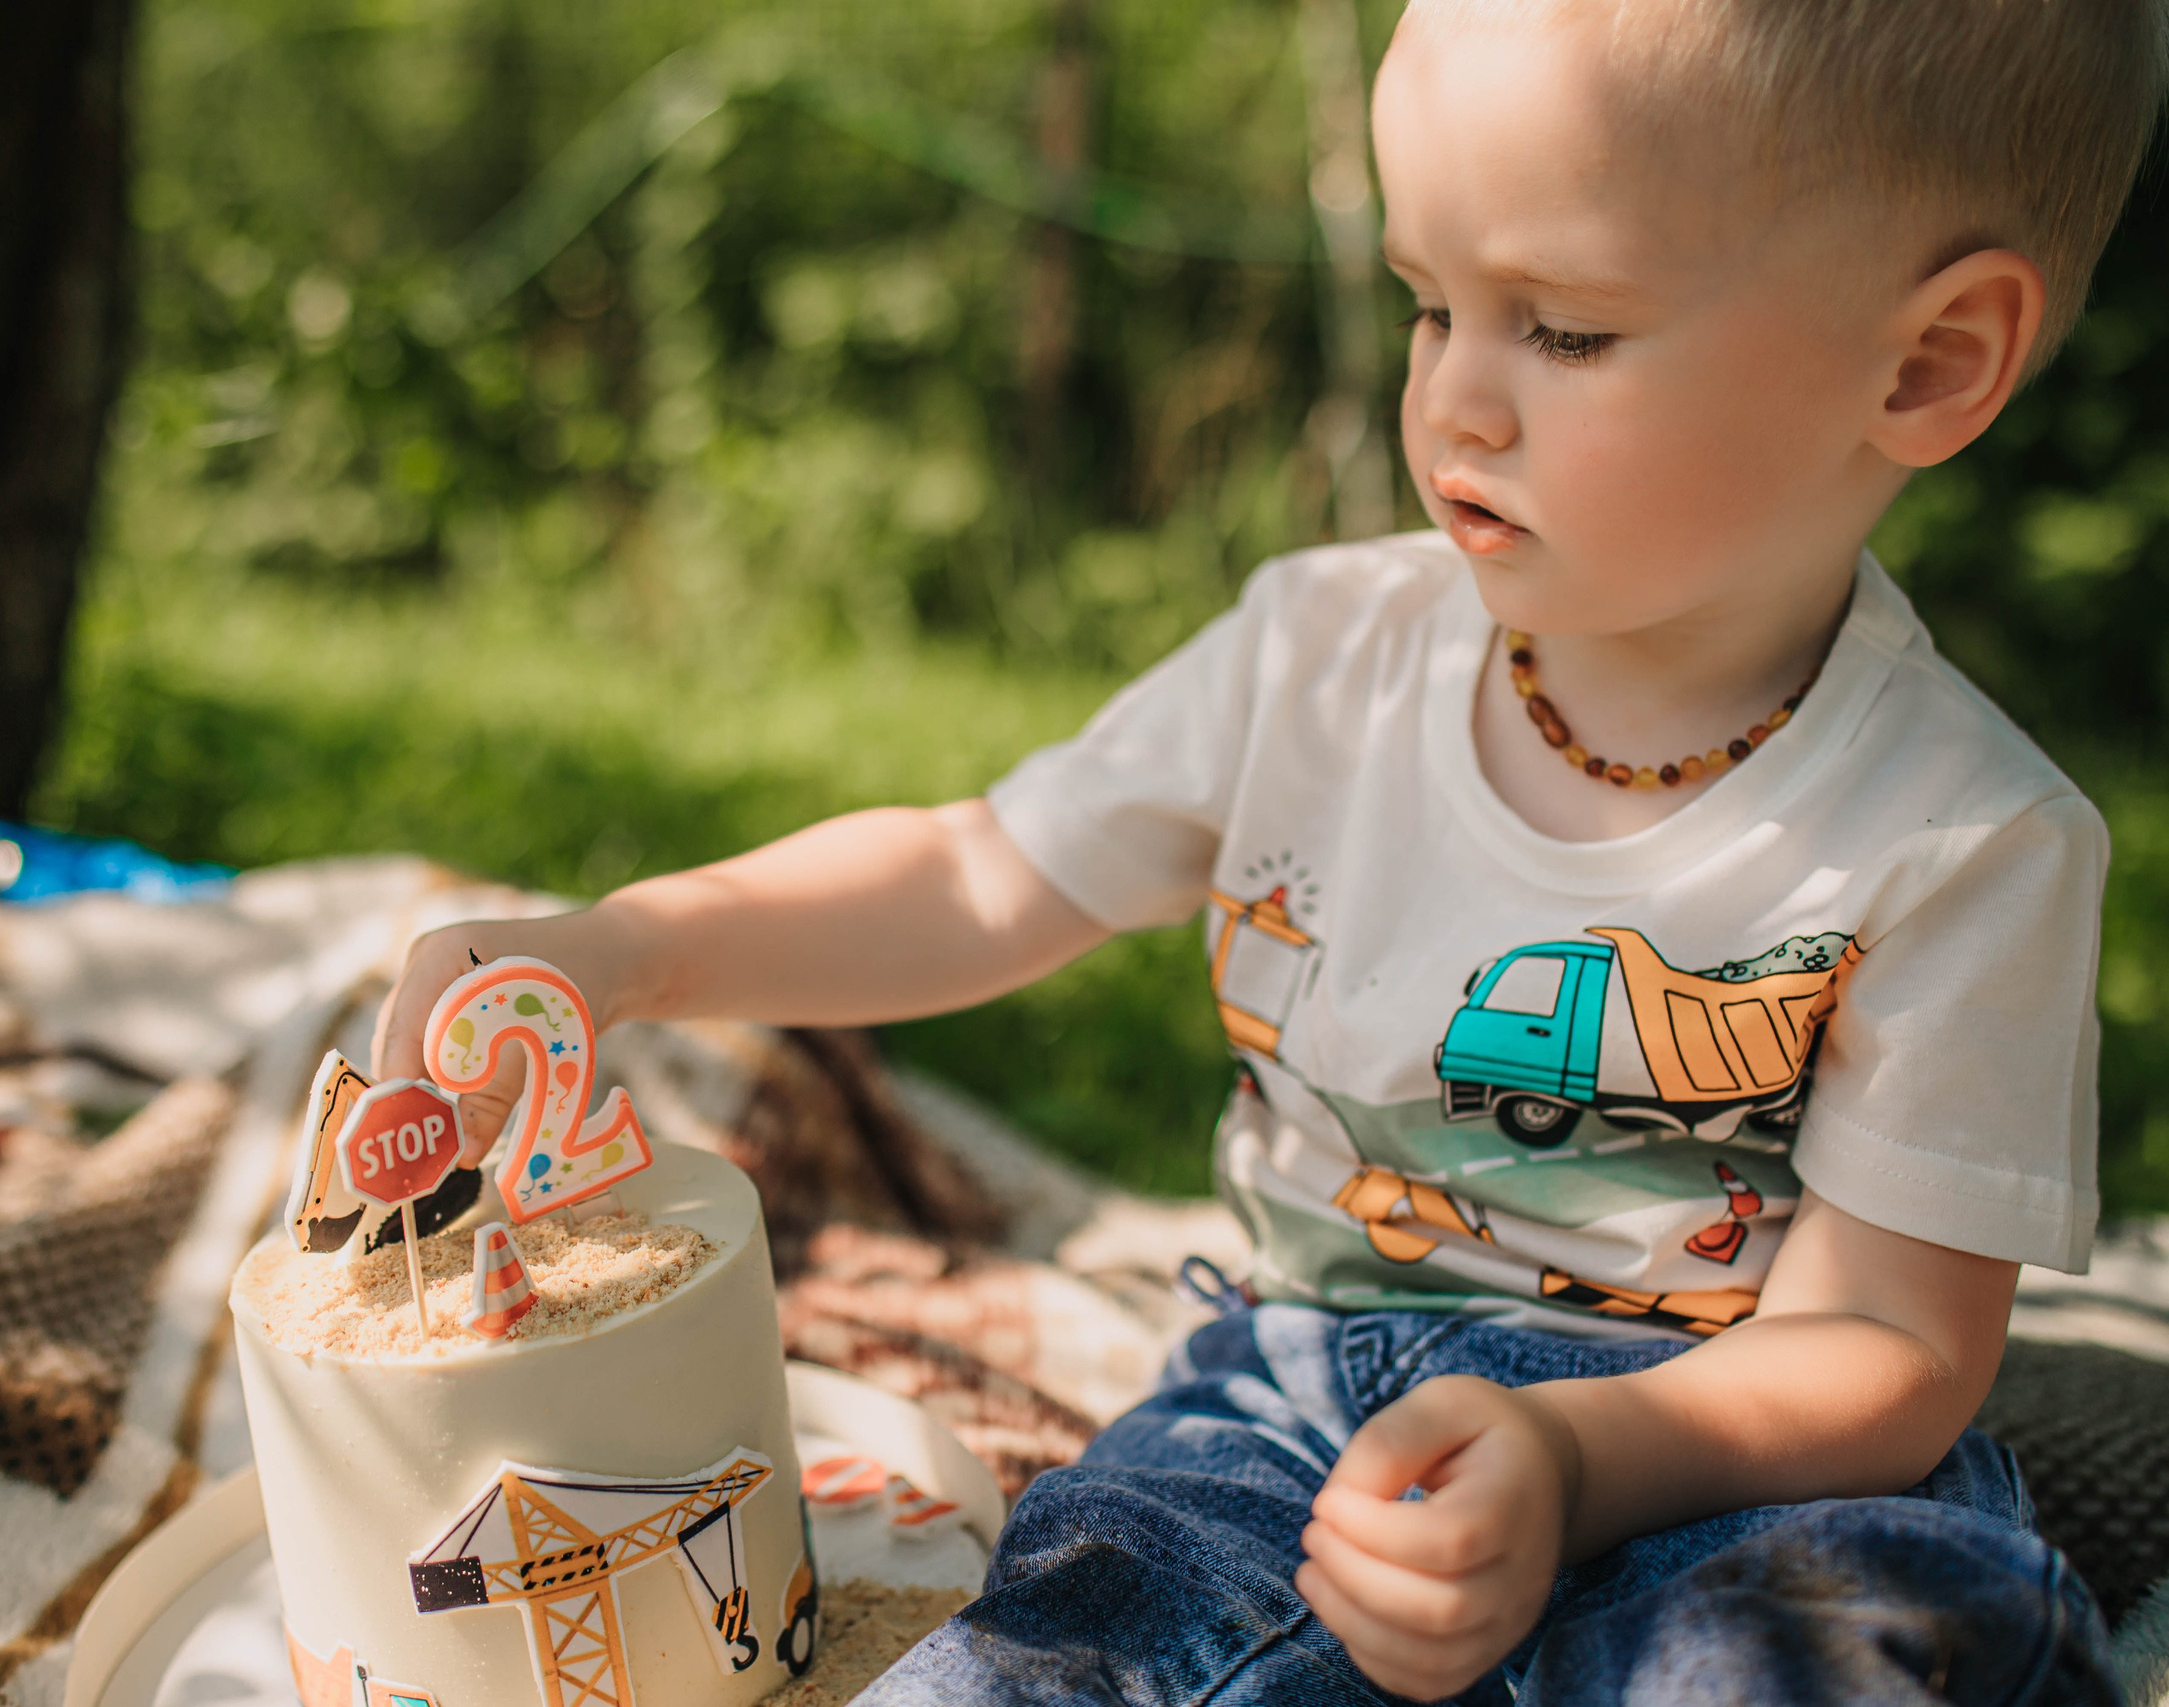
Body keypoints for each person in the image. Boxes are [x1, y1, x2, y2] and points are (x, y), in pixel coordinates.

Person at [372, 0, 2165, 1697]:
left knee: (1857, 1643)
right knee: (1076, 1634)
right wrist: (636, 948)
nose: (1456, 400)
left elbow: (1893, 1355)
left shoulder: (1964, 839)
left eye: (1563, 327)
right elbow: (980, 875)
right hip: (1290, 1401)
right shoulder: (1322, 660)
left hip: (1718, 1449)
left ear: (1928, 364)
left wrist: (1572, 1451)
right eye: (1426, 306)